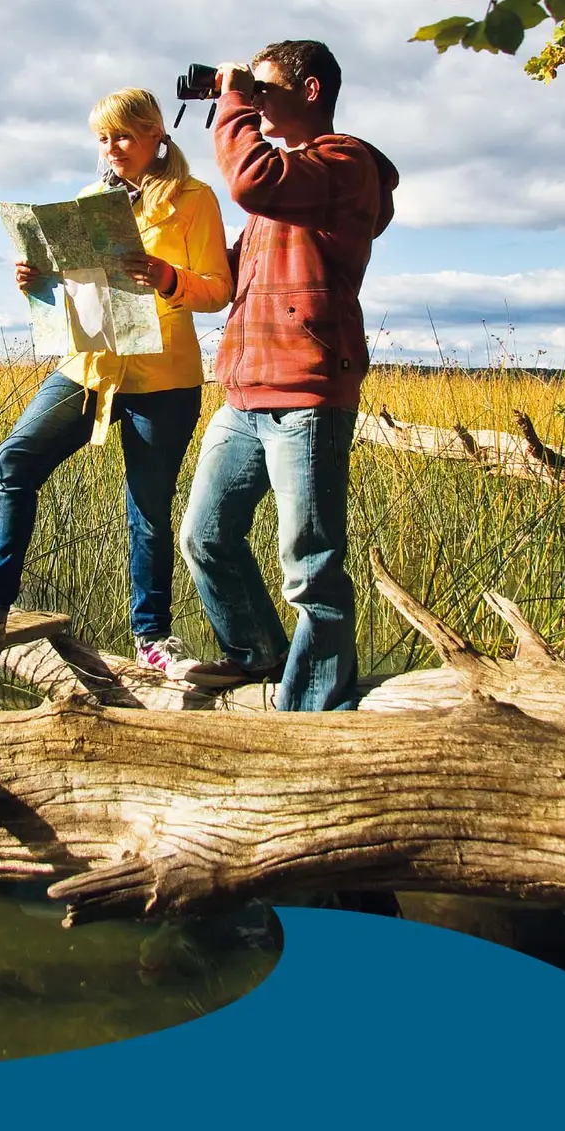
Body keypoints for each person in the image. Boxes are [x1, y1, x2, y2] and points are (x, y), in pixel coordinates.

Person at [0, 88, 232, 673]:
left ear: (157, 134)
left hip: (163, 376)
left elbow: (217, 289)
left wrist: (164, 274)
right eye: (103, 139)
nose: (112, 149)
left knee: (148, 510)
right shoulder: (88, 200)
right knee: (15, 460)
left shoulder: (193, 198)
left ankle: (154, 639)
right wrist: (35, 280)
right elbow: (72, 292)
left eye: (124, 136)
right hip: (87, 368)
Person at [178, 39, 399, 711]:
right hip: (245, 392)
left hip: (306, 391)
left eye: (263, 86)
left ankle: (311, 717)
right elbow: (225, 280)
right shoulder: (280, 194)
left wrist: (232, 96)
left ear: (309, 91)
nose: (250, 97)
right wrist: (158, 267)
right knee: (205, 535)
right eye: (249, 90)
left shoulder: (345, 162)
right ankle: (259, 657)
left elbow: (251, 178)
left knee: (311, 570)